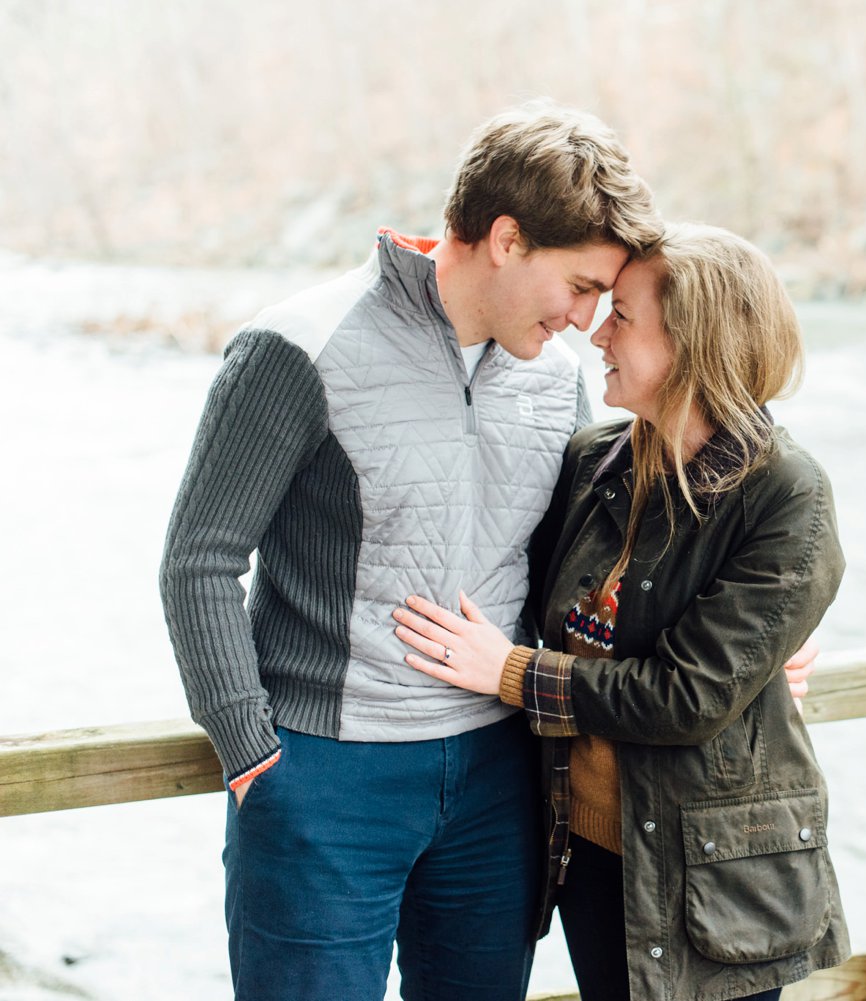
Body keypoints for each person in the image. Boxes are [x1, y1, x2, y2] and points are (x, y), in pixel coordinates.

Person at [159, 103, 814, 1001]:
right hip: (327, 779)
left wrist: (756, 655)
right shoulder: (299, 345)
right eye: (582, 285)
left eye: (606, 299)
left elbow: (592, 572)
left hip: (503, 779)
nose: (589, 321)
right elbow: (198, 559)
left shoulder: (554, 377)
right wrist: (252, 754)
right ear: (506, 239)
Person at [393, 223, 850, 1000]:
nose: (595, 331)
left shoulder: (786, 492)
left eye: (624, 316)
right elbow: (531, 603)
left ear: (695, 341)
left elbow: (686, 696)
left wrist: (508, 672)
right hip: (591, 853)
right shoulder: (591, 462)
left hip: (714, 872)